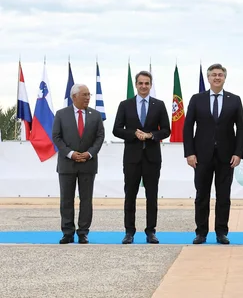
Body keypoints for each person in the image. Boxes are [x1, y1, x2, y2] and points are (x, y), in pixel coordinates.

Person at [183, 63, 243, 245]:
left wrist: (238, 153)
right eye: (213, 75)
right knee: (201, 195)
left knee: (223, 196)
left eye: (220, 75)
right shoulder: (197, 99)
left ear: (224, 78)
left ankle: (221, 232)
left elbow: (241, 128)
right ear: (208, 78)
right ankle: (201, 232)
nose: (217, 77)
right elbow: (188, 127)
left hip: (227, 156)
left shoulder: (234, 100)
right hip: (201, 156)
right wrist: (189, 153)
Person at [112, 71, 171, 244]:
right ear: (136, 85)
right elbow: (116, 129)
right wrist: (133, 134)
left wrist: (151, 135)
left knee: (152, 196)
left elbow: (166, 130)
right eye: (140, 83)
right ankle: (129, 231)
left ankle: (151, 231)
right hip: (132, 158)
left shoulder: (158, 105)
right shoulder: (125, 105)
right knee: (130, 194)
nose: (144, 86)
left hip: (152, 158)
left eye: (147, 83)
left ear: (150, 85)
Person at [52, 84, 105, 244]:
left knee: (86, 200)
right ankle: (67, 232)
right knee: (66, 199)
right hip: (67, 164)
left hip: (88, 164)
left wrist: (89, 154)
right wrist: (70, 153)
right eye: (84, 94)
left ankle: (83, 232)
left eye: (89, 94)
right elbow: (56, 137)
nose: (88, 97)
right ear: (74, 97)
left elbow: (100, 137)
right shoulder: (61, 114)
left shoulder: (95, 115)